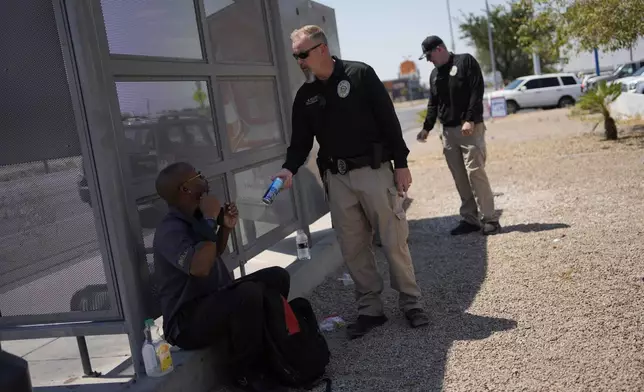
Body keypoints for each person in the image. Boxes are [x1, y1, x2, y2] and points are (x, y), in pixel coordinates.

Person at [271, 25, 430, 340]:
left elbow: (389, 121)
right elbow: (300, 143)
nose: (299, 61)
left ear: (321, 49)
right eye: (295, 56)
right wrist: (288, 169)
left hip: (374, 171)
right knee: (353, 246)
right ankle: (370, 310)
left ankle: (412, 303)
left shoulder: (359, 75)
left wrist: (401, 164)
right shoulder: (306, 96)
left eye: (303, 54)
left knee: (392, 239)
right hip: (337, 179)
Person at [152, 162, 289, 392]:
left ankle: (274, 351)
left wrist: (223, 228)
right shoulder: (170, 230)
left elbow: (212, 254)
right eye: (197, 175)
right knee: (248, 294)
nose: (203, 178)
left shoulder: (194, 217)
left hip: (212, 299)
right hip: (186, 321)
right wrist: (209, 219)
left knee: (277, 277)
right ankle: (245, 374)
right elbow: (200, 268)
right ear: (185, 189)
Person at [416, 35, 502, 236]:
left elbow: (476, 91)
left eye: (429, 56)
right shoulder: (435, 75)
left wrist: (470, 119)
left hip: (469, 128)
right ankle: (470, 219)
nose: (428, 61)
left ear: (439, 49)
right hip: (448, 132)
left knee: (475, 172)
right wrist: (426, 128)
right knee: (460, 177)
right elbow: (433, 104)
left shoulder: (465, 62)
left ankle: (490, 219)